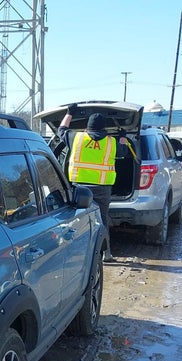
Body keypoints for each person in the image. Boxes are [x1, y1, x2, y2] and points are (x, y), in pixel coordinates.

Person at [58, 104, 129, 262]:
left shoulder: (76, 138)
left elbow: (61, 130)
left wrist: (69, 113)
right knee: (102, 219)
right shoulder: (111, 143)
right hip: (102, 189)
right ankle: (107, 254)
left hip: (79, 188)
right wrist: (123, 136)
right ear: (104, 129)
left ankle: (73, 256)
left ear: (87, 128)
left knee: (77, 221)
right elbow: (124, 152)